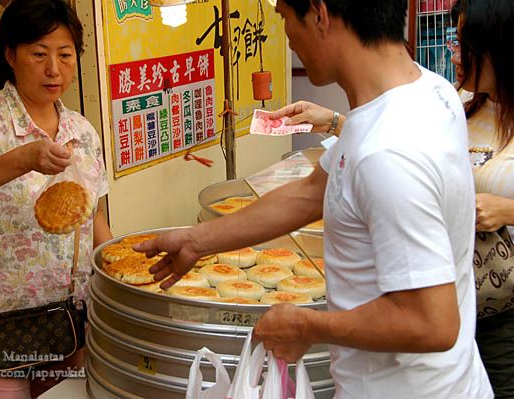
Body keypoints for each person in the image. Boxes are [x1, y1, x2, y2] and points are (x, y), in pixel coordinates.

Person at [135, 0, 493, 397]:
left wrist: (307, 326)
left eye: (286, 19)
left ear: (320, 15)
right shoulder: (428, 90)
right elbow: (310, 193)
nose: (288, 36)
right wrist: (196, 240)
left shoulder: (387, 151)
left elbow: (432, 323)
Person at [0, 0, 112, 397]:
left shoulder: (82, 131)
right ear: (10, 55)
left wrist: (123, 271)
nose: (54, 69)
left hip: (69, 319)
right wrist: (21, 158)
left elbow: (95, 222)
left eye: (65, 55)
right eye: (39, 54)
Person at [449, 1, 514, 397]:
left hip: (504, 310)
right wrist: (335, 121)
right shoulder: (462, 104)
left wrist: (506, 210)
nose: (455, 55)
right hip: (452, 299)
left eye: (464, 44)